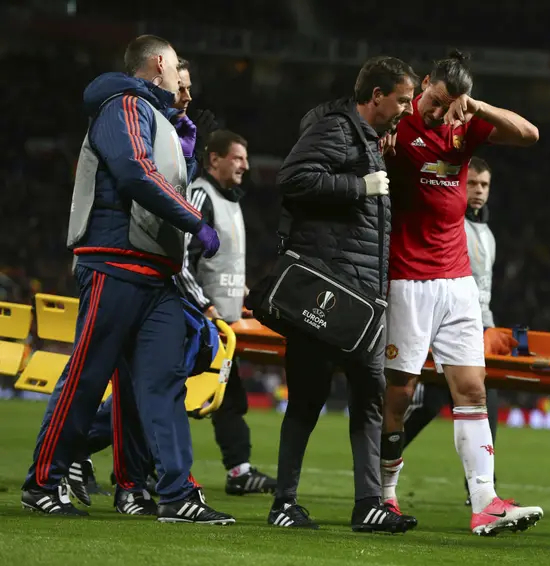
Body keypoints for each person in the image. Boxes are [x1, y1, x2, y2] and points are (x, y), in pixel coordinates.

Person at [20, 34, 233, 525]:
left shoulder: (156, 116)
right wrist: (194, 221)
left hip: (156, 272)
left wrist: (185, 155)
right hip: (114, 260)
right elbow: (135, 172)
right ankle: (43, 483)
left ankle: (176, 493)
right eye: (176, 67)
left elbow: (157, 176)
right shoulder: (122, 105)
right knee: (87, 376)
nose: (181, 79)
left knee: (163, 384)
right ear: (158, 63)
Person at [378, 51, 543, 536]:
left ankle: (485, 502)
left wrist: (476, 108)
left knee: (472, 390)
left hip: (458, 281)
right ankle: (383, 495)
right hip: (407, 279)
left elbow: (530, 135)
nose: (437, 111)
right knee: (400, 394)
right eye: (433, 99)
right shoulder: (398, 125)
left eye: (447, 103)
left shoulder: (463, 125)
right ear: (424, 83)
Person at [268, 55, 418, 533]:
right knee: (307, 400)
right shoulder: (336, 129)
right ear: (376, 96)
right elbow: (292, 178)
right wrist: (358, 186)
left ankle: (368, 504)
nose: (406, 109)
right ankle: (284, 503)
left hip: (363, 299)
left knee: (370, 400)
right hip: (327, 292)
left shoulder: (368, 139)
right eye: (402, 100)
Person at [400, 156, 513, 505]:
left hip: (476, 330)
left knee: (478, 401)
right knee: (430, 404)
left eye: (484, 185)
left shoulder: (487, 234)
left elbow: (484, 290)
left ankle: (481, 487)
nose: (478, 191)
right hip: (447, 328)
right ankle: (381, 458)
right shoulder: (448, 227)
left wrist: (490, 327)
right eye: (472, 183)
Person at [176, 129, 277, 494]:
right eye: (237, 158)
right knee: (167, 396)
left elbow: (221, 264)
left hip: (221, 326)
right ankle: (86, 453)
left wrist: (243, 296)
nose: (245, 166)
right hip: (195, 322)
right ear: (214, 159)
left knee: (227, 396)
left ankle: (239, 470)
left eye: (245, 159)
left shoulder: (229, 200)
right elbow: (180, 260)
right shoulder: (201, 195)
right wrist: (203, 305)